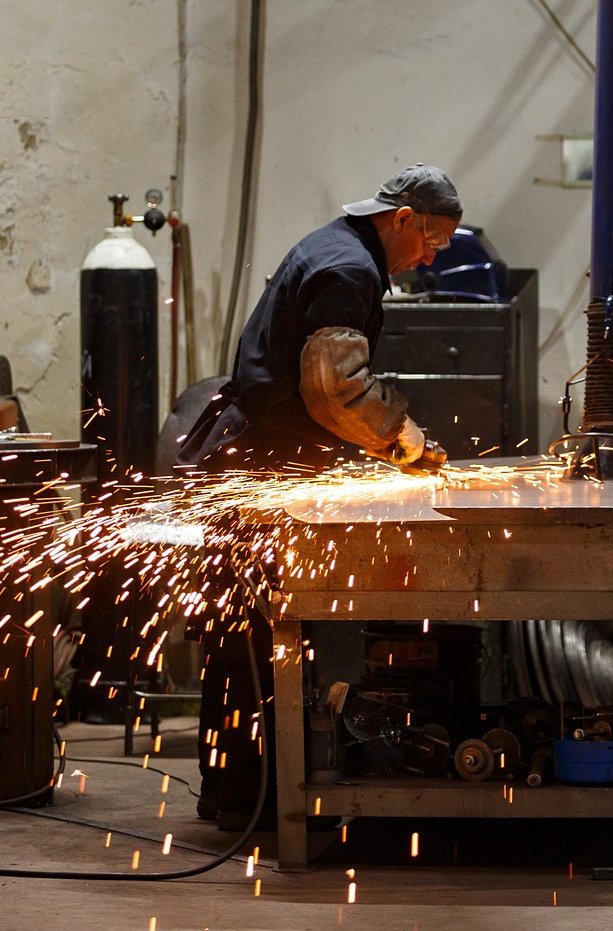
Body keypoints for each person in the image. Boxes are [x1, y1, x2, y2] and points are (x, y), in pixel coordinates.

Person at [176, 163, 462, 827]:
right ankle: (255, 803)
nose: (429, 258)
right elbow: (334, 389)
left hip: (255, 460)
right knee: (255, 640)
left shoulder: (337, 248)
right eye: (432, 241)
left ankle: (236, 792)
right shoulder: (349, 269)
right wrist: (401, 436)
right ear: (401, 219)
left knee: (242, 636)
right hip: (259, 469)